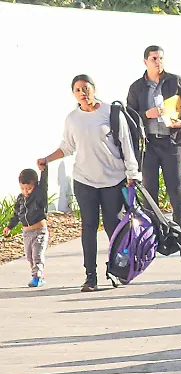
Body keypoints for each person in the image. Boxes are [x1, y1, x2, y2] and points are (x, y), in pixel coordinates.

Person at [38, 75, 140, 292]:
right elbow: (67, 147)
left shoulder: (111, 113)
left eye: (85, 88)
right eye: (77, 90)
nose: (82, 93)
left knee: (113, 227)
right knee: (88, 227)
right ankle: (90, 277)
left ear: (94, 88)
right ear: (73, 94)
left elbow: (126, 143)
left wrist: (132, 174)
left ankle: (116, 271)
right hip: (84, 180)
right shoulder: (72, 119)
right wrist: (47, 159)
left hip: (113, 179)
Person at [127, 45, 181, 231]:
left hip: (172, 141)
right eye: (154, 59)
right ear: (145, 62)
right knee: (150, 189)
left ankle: (178, 227)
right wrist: (146, 114)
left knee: (175, 186)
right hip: (149, 144)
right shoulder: (137, 87)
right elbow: (130, 116)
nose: (158, 62)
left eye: (161, 59)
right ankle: (154, 229)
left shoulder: (175, 81)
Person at [3, 168, 49, 287]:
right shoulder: (20, 198)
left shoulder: (39, 195)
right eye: (23, 188)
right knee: (29, 256)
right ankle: (37, 275)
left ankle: (37, 277)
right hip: (26, 232)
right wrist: (9, 227)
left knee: (37, 255)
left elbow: (44, 183)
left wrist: (44, 170)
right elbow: (16, 214)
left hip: (39, 231)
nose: (26, 191)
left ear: (35, 185)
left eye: (29, 188)